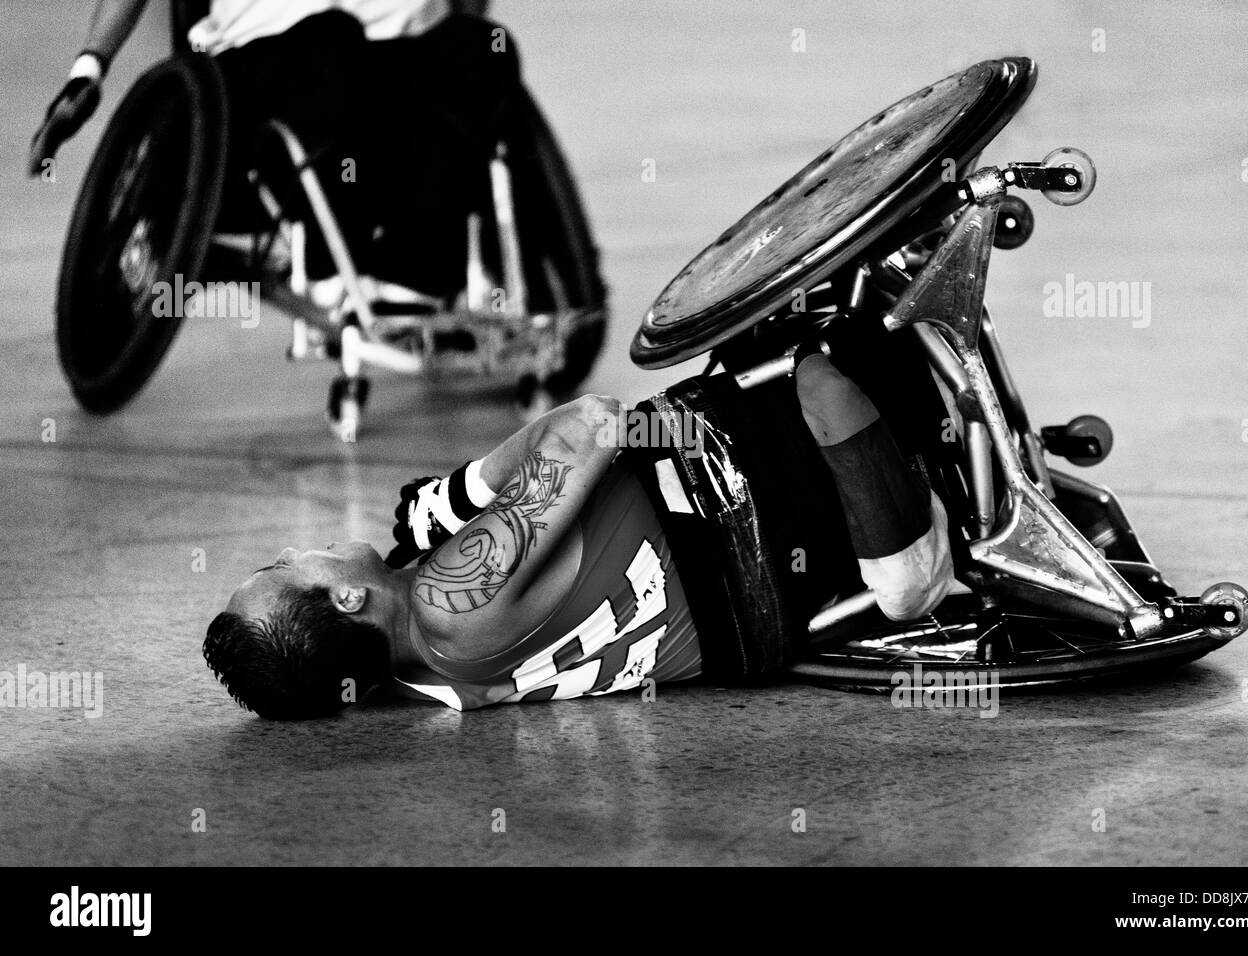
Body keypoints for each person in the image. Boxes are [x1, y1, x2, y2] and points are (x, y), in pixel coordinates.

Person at [203, 348, 955, 719]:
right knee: (825, 361)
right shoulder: (446, 600)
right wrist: (459, 490)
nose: (297, 546)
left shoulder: (408, 670)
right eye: (283, 563)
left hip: (747, 603)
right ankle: (914, 563)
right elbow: (593, 424)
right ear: (342, 600)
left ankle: (918, 529)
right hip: (738, 525)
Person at [28, 0, 514, 299]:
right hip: (268, 65)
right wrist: (88, 70)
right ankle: (331, 255)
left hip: (395, 61)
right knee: (332, 38)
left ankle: (415, 274)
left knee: (483, 46)